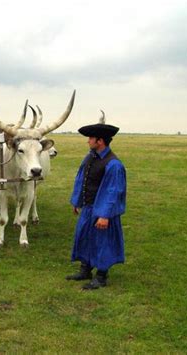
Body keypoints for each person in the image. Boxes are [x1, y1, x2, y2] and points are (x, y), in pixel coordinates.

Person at [67, 112, 126, 290]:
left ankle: (101, 276)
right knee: (84, 238)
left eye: (91, 138)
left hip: (102, 211)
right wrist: (78, 201)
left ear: (100, 141)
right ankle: (85, 270)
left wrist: (105, 215)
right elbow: (82, 179)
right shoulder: (90, 157)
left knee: (102, 243)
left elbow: (113, 192)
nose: (88, 141)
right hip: (88, 208)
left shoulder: (113, 164)